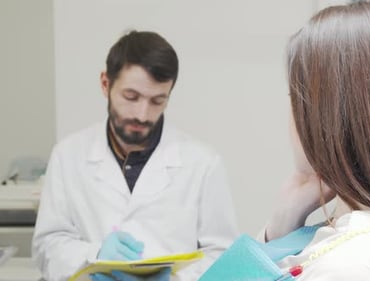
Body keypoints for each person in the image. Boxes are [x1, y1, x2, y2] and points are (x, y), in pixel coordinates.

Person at [206, 1, 370, 280]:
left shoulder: (358, 264)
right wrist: (279, 226)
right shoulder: (363, 242)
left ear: (330, 119)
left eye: (295, 101)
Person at [32, 30, 238, 281]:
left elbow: (222, 252)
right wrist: (95, 254)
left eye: (157, 101)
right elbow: (46, 248)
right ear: (105, 84)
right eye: (131, 97)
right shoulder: (68, 155)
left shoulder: (202, 162)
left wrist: (175, 280)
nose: (142, 115)